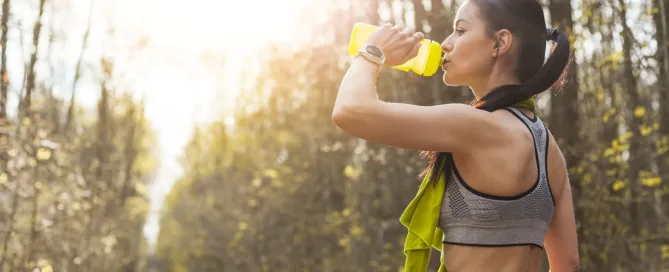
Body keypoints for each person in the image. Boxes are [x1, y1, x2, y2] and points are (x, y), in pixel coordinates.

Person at [331, 0, 580, 271]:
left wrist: (372, 52)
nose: (445, 44)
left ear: (500, 43)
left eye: (460, 31)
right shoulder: (548, 148)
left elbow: (350, 111)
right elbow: (568, 264)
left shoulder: (473, 127)